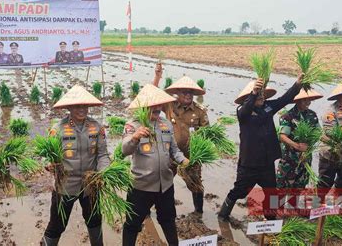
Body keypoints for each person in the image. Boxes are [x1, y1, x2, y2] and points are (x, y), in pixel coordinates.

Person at [218, 74, 304, 221]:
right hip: (249, 164)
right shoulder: (242, 111)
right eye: (259, 95)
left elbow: (285, 99)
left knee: (271, 193)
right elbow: (245, 110)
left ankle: (270, 220)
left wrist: (297, 85)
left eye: (262, 94)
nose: (262, 97)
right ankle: (223, 215)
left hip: (266, 163)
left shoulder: (268, 107)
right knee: (240, 191)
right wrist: (253, 93)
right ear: (249, 97)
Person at [42, 85, 110, 246]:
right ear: (69, 108)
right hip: (65, 186)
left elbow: (102, 155)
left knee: (94, 220)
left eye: (84, 105)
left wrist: (103, 172)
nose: (82, 109)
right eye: (77, 106)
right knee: (57, 225)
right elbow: (46, 156)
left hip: (90, 185)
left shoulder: (97, 127)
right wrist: (48, 164)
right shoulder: (57, 129)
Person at [122, 84, 189, 246]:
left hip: (165, 185)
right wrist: (135, 137)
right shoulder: (133, 125)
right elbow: (125, 150)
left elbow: (174, 149)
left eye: (159, 104)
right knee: (132, 224)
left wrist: (183, 160)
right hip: (140, 186)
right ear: (143, 106)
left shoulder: (165, 124)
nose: (157, 107)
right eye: (153, 105)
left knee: (168, 220)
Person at [153, 64, 209, 214]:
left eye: (190, 92)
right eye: (184, 92)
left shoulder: (200, 111)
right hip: (170, 154)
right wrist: (157, 77)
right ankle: (158, 210)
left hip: (191, 156)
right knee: (163, 182)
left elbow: (206, 134)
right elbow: (152, 96)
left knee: (195, 184)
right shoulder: (170, 105)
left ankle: (199, 212)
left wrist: (199, 151)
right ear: (177, 93)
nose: (188, 95)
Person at [276, 89, 323, 189]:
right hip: (289, 159)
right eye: (304, 100)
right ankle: (275, 205)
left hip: (305, 159)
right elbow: (282, 136)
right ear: (297, 100)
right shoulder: (287, 116)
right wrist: (297, 146)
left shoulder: (312, 115)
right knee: (281, 189)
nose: (308, 102)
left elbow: (318, 132)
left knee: (299, 188)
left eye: (309, 99)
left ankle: (294, 204)